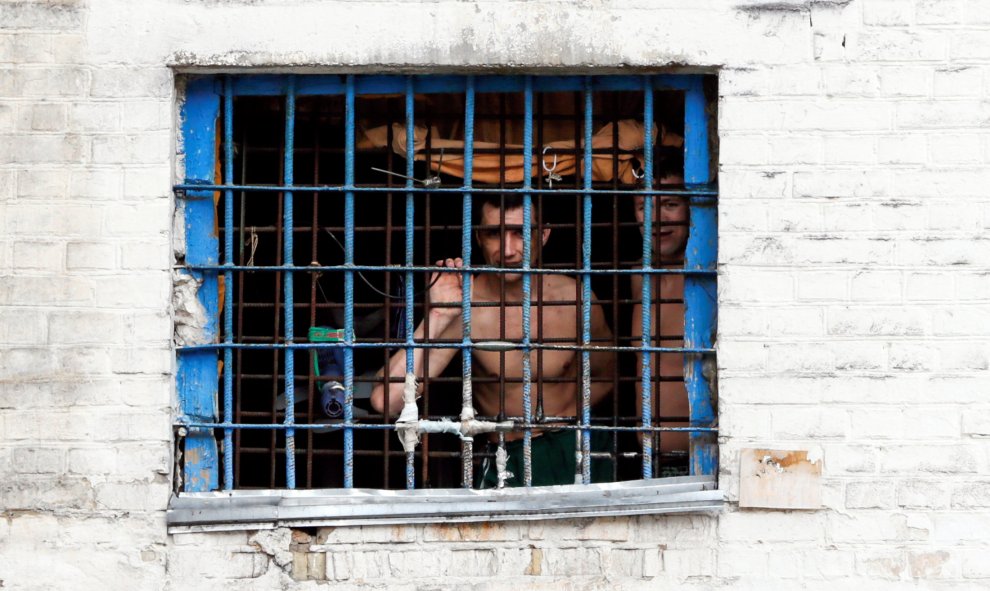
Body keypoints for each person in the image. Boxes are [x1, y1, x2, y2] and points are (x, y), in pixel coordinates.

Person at [370, 194, 616, 487]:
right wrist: (436, 316)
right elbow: (386, 401)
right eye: (494, 234)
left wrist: (561, 422)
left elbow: (609, 377)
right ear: (478, 237)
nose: (508, 250)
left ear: (544, 234)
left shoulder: (575, 299)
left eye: (520, 233)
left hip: (578, 447)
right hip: (508, 455)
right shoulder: (467, 304)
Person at [630, 171, 691, 476]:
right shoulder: (636, 279)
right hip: (645, 459)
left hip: (700, 459)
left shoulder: (710, 278)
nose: (656, 218)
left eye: (669, 204)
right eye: (644, 207)